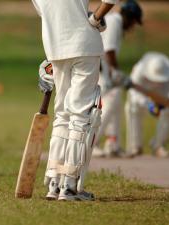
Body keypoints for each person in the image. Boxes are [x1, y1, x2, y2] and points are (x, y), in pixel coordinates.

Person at [32, 0, 117, 201]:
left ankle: (54, 183)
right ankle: (70, 186)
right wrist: (95, 17)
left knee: (62, 114)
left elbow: (50, 13)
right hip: (84, 46)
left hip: (56, 50)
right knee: (80, 115)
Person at [93, 0, 143, 157]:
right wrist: (117, 72)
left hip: (103, 67)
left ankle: (112, 144)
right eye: (134, 21)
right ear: (128, 16)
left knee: (116, 102)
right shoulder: (115, 21)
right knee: (108, 104)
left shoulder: (116, 23)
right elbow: (109, 51)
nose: (133, 26)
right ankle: (91, 143)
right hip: (100, 67)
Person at [125, 52, 169, 158]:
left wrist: (165, 102)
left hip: (162, 93)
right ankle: (135, 146)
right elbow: (133, 92)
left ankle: (158, 145)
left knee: (168, 112)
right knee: (133, 108)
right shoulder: (138, 70)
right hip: (142, 95)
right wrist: (148, 104)